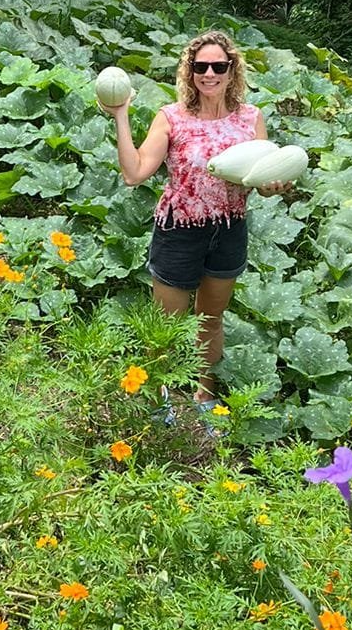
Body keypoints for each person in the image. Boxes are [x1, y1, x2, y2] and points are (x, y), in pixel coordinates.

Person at [103, 29, 271, 403]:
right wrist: (121, 115)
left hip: (229, 230)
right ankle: (157, 399)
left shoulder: (251, 119)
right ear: (190, 70)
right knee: (166, 327)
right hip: (179, 231)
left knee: (211, 318)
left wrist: (274, 184)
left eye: (218, 67)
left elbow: (260, 179)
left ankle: (204, 397)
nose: (209, 74)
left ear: (232, 70)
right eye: (200, 66)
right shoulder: (171, 118)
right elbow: (134, 173)